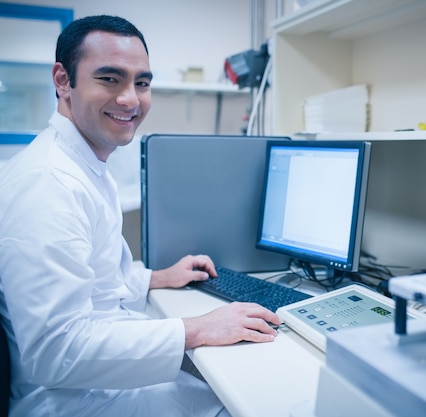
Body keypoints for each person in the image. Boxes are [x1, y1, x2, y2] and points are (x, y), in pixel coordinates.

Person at [0, 15, 281, 417]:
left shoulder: (83, 165)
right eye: (110, 79)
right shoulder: (47, 183)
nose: (131, 99)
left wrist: (158, 278)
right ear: (63, 80)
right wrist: (197, 328)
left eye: (142, 83)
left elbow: (96, 282)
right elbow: (54, 353)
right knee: (248, 403)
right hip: (71, 401)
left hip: (95, 383)